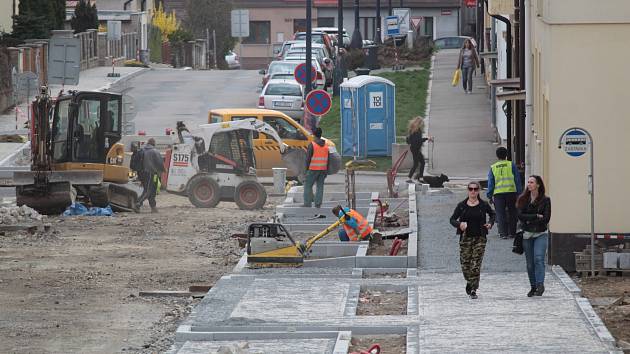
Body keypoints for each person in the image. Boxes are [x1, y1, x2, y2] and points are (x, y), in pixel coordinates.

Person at [450, 181, 495, 299]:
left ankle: (474, 289)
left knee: (475, 264)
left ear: (479, 191)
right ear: (468, 190)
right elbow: (452, 219)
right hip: (465, 238)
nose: (473, 191)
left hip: (480, 237)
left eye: (475, 189)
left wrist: (490, 223)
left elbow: (492, 214)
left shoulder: (483, 205)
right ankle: (469, 282)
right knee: (465, 265)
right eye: (471, 189)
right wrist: (459, 224)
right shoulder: (462, 205)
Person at [517, 175, 551, 297]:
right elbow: (520, 216)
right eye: (528, 182)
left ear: (538, 185)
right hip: (526, 235)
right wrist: (536, 216)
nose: (529, 184)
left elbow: (546, 218)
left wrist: (529, 219)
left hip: (540, 233)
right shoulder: (523, 199)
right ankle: (533, 286)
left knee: (538, 258)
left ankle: (540, 284)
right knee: (530, 263)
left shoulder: (546, 200)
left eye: (532, 182)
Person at [487, 147, 522, 239]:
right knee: (512, 212)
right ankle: (512, 233)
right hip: (511, 192)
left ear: (497, 156)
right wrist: (519, 193)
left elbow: (491, 183)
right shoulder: (511, 165)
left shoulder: (493, 167)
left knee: (500, 213)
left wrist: (489, 195)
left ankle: (503, 234)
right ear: (506, 155)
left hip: (498, 194)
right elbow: (517, 180)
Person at [135, 138, 165, 213]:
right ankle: (137, 203)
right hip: (150, 173)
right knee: (148, 190)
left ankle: (153, 207)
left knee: (152, 190)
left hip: (141, 173)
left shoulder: (142, 150)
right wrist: (163, 170)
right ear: (154, 143)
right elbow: (160, 162)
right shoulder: (154, 151)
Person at [303, 127, 328, 208]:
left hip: (313, 169)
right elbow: (328, 159)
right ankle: (318, 204)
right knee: (320, 186)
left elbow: (308, 159)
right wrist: (326, 170)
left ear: (314, 135)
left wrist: (306, 170)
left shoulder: (312, 145)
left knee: (307, 185)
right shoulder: (326, 146)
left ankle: (307, 203)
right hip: (323, 170)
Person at [406, 116, 433, 183]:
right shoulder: (417, 131)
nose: (422, 125)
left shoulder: (412, 129)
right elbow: (419, 140)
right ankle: (416, 178)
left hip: (414, 148)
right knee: (420, 163)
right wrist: (427, 139)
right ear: (419, 123)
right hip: (416, 149)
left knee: (418, 163)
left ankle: (413, 177)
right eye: (422, 123)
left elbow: (409, 139)